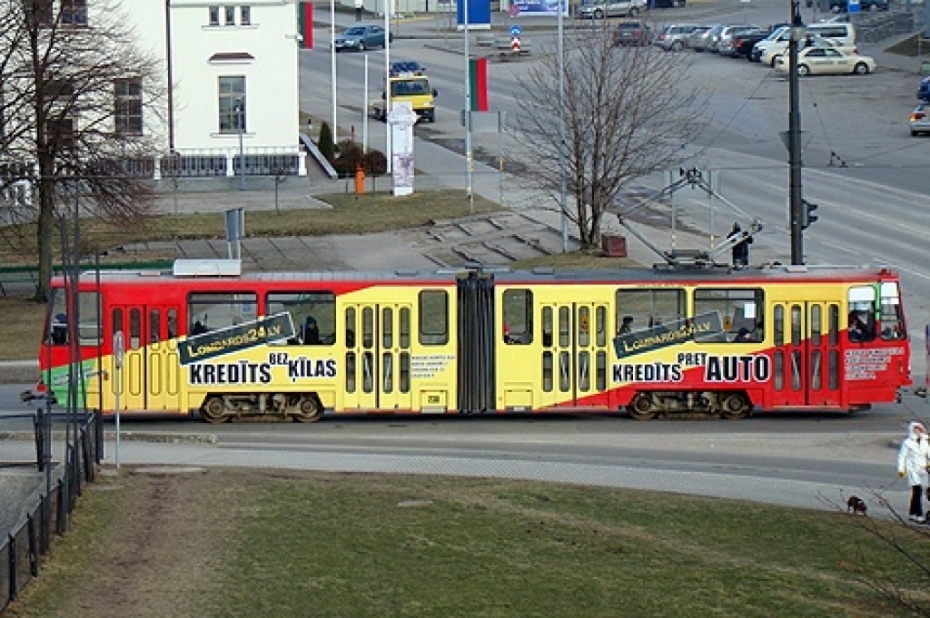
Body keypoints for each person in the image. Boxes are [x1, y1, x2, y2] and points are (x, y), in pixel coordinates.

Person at [897, 421, 930, 523]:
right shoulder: (907, 443)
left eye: (919, 429)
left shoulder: (925, 442)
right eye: (915, 429)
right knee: (918, 490)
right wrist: (901, 469)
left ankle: (912, 513)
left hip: (923, 470)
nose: (917, 431)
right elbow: (902, 456)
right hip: (912, 470)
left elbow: (928, 454)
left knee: (917, 492)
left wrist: (928, 463)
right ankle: (919, 514)